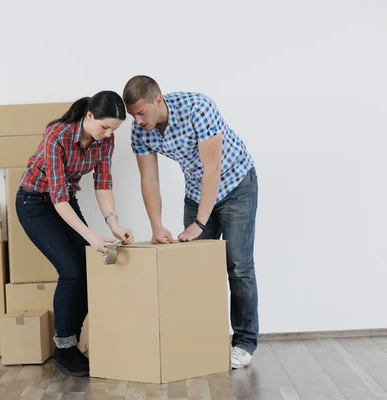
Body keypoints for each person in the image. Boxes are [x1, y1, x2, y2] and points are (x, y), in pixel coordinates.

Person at [122, 75, 259, 369]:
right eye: (132, 115)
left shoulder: (198, 107)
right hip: (197, 191)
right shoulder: (140, 132)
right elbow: (149, 179)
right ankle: (202, 341)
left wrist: (199, 222)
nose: (137, 120)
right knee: (193, 267)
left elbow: (213, 168)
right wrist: (157, 226)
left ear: (158, 100)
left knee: (238, 265)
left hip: (237, 184)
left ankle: (245, 342)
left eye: (141, 112)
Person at [15, 90, 134, 377]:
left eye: (113, 130)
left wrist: (113, 225)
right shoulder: (57, 135)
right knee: (71, 271)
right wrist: (91, 236)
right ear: (89, 116)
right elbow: (57, 199)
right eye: (104, 127)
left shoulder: (106, 141)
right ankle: (65, 349)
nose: (107, 135)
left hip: (66, 201)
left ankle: (72, 344)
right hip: (35, 203)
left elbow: (103, 182)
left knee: (87, 271)